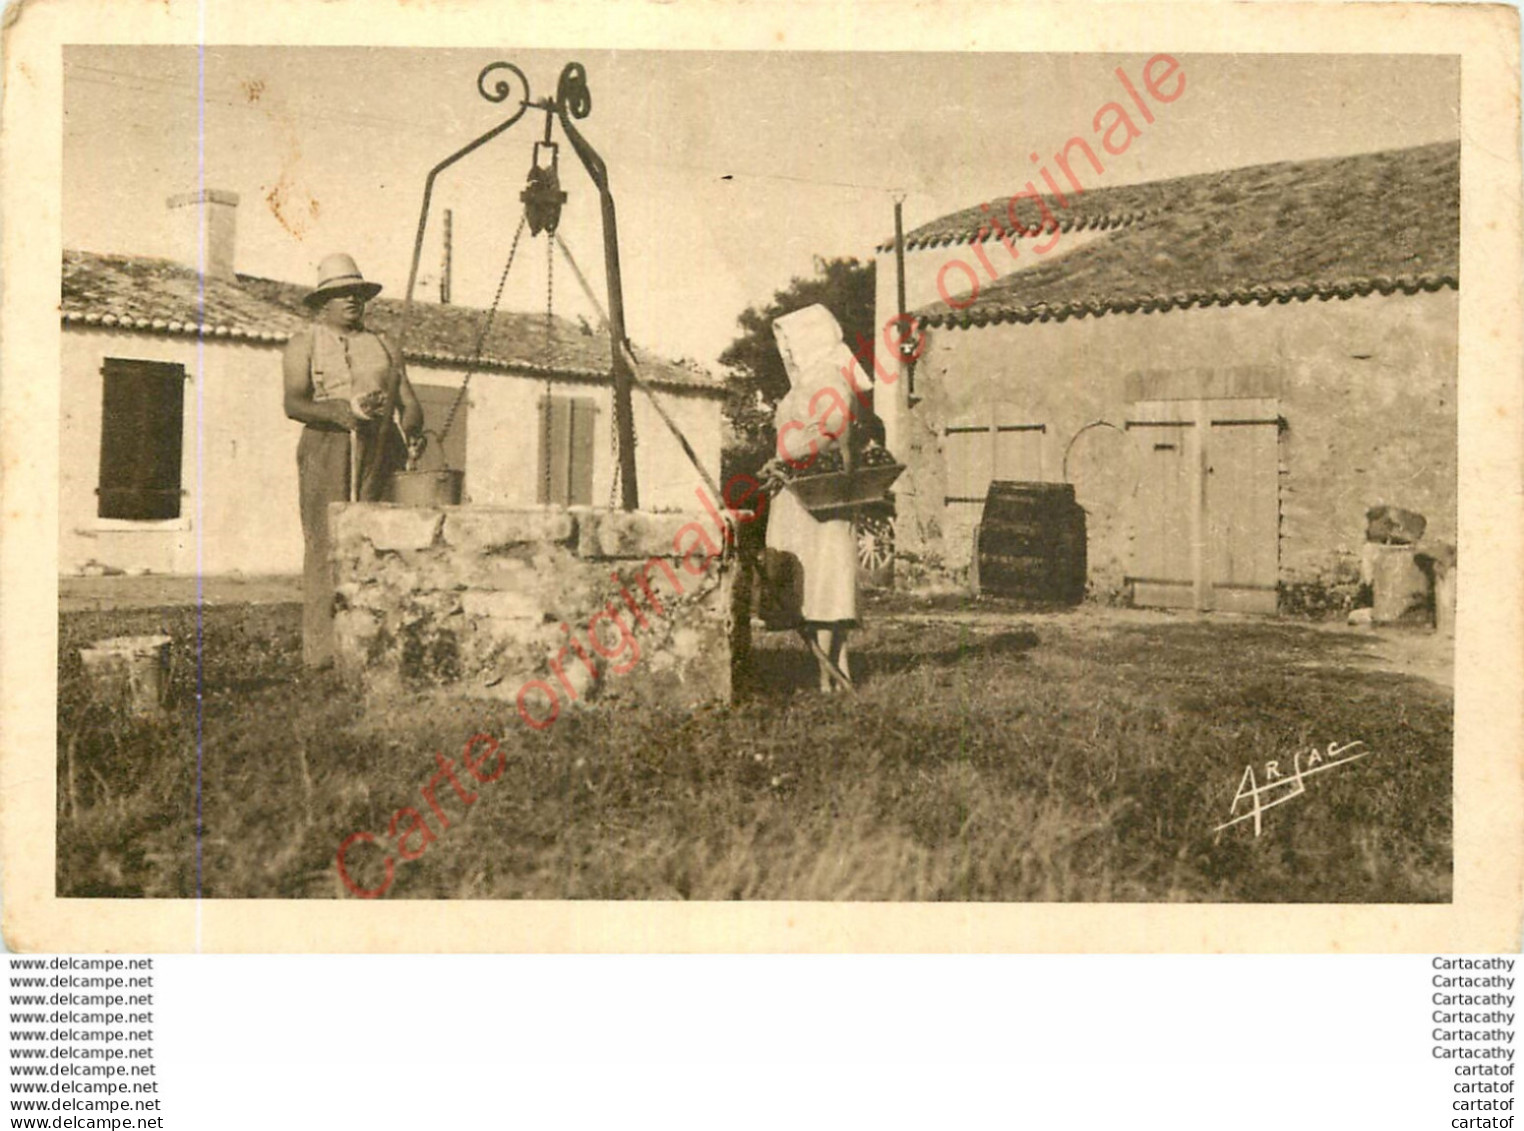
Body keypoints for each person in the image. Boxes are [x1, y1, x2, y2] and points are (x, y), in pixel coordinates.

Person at [283, 252, 424, 668]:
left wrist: (412, 426)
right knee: (325, 544)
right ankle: (322, 653)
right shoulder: (303, 343)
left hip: (381, 447)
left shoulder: (382, 345)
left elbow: (409, 402)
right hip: (328, 446)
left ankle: (377, 646)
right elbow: (293, 402)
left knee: (382, 539)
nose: (351, 301)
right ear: (322, 302)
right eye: (341, 294)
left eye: (357, 294)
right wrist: (340, 410)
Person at [762, 304, 863, 692]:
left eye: (791, 342)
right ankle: (834, 672)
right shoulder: (803, 384)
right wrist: (779, 465)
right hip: (796, 494)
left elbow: (836, 429)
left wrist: (790, 455)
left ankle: (831, 676)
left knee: (826, 584)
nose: (786, 351)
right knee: (809, 583)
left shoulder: (828, 377)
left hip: (819, 494)